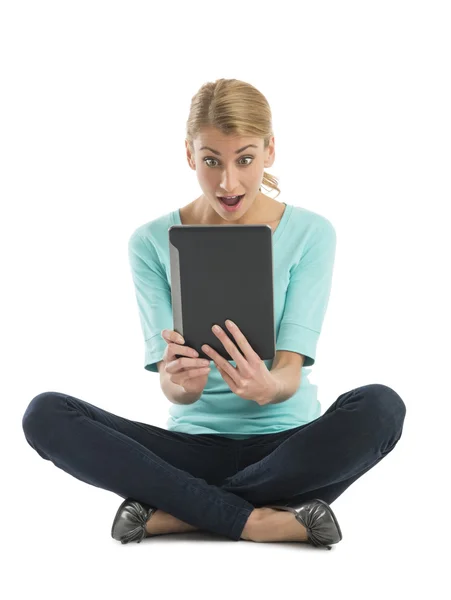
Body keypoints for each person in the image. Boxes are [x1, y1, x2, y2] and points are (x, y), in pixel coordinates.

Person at [21, 78, 406, 550]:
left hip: (291, 448)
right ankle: (264, 520)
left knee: (382, 407)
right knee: (45, 414)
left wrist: (270, 389)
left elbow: (289, 367)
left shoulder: (311, 233)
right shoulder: (149, 242)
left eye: (244, 159)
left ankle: (182, 512)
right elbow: (169, 379)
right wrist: (181, 387)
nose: (228, 182)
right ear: (189, 154)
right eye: (211, 161)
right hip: (186, 453)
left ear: (269, 151)